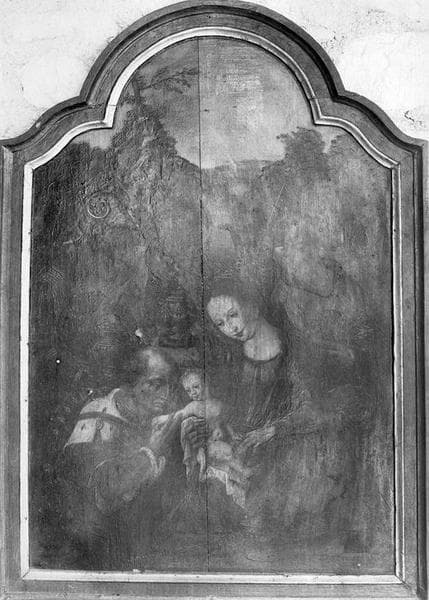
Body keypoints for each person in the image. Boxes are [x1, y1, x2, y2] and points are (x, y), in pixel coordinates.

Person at [61, 346, 188, 570]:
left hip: (148, 545)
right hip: (101, 550)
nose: (167, 394)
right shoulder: (99, 415)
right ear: (132, 382)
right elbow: (107, 488)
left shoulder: (161, 419)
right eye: (156, 384)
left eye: (171, 385)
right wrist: (151, 451)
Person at [179, 368, 250, 507]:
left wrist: (232, 433)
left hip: (220, 439)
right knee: (226, 451)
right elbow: (186, 429)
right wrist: (200, 445)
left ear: (206, 383)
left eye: (196, 387)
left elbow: (224, 422)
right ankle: (241, 472)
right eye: (188, 390)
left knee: (235, 448)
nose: (193, 392)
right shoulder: (191, 407)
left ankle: (241, 474)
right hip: (205, 445)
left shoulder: (218, 404)